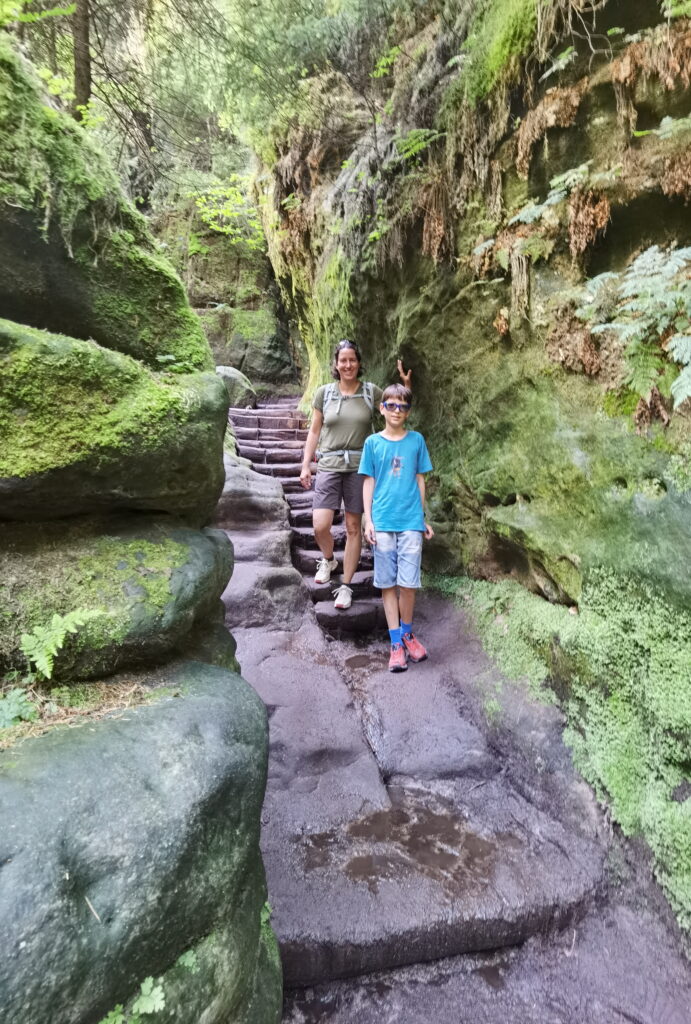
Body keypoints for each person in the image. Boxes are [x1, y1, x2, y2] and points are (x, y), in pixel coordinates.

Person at [299, 340, 410, 610]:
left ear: (359, 363)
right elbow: (314, 431)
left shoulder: (371, 392)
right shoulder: (324, 394)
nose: (347, 365)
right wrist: (305, 464)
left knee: (352, 527)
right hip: (329, 465)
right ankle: (328, 559)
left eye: (352, 360)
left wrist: (406, 386)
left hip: (360, 467)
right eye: (342, 360)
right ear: (336, 365)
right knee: (320, 524)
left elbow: (396, 408)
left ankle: (346, 586)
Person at [359, 383, 434, 672]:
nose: (396, 411)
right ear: (382, 409)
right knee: (388, 583)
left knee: (408, 582)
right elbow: (369, 482)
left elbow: (419, 479)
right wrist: (369, 519)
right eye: (391, 405)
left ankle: (407, 634)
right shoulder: (372, 444)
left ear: (408, 411)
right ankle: (395, 644)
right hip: (383, 522)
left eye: (402, 406)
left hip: (410, 522)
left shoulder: (416, 441)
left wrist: (422, 517)